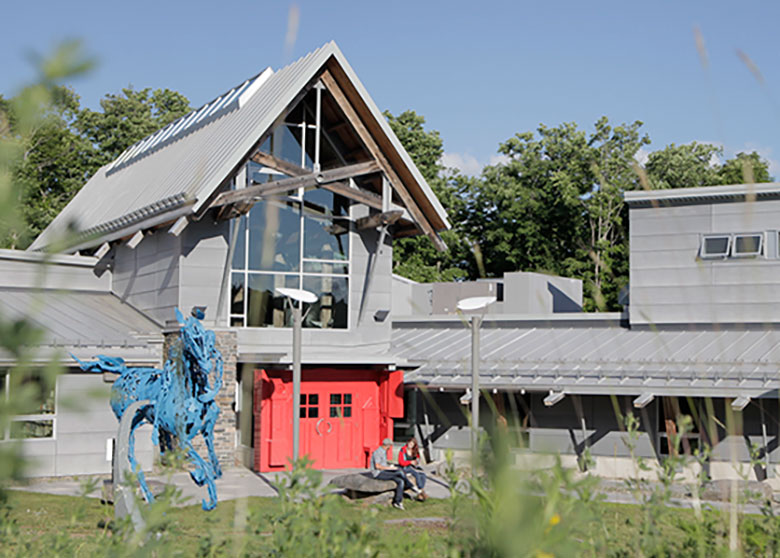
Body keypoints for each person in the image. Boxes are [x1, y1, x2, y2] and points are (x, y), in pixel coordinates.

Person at [370, 437, 418, 510]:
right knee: (399, 472)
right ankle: (411, 485)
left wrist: (390, 466)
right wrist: (390, 468)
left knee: (400, 481)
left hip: (384, 471)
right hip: (378, 473)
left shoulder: (383, 451)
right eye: (390, 446)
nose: (390, 448)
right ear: (387, 445)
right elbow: (378, 466)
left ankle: (398, 502)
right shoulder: (378, 452)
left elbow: (384, 464)